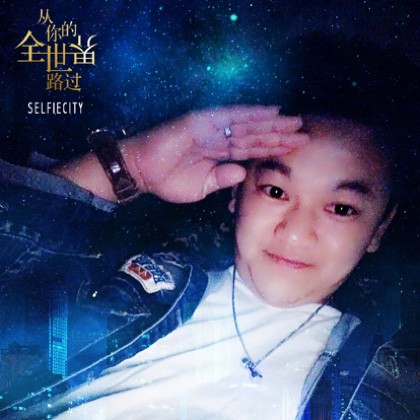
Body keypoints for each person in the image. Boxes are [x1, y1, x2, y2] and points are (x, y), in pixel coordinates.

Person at [0, 35, 418, 419]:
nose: (294, 233)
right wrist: (128, 167)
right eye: (275, 191)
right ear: (237, 191)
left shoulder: (388, 389)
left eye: (341, 208)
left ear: (380, 227)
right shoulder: (136, 278)